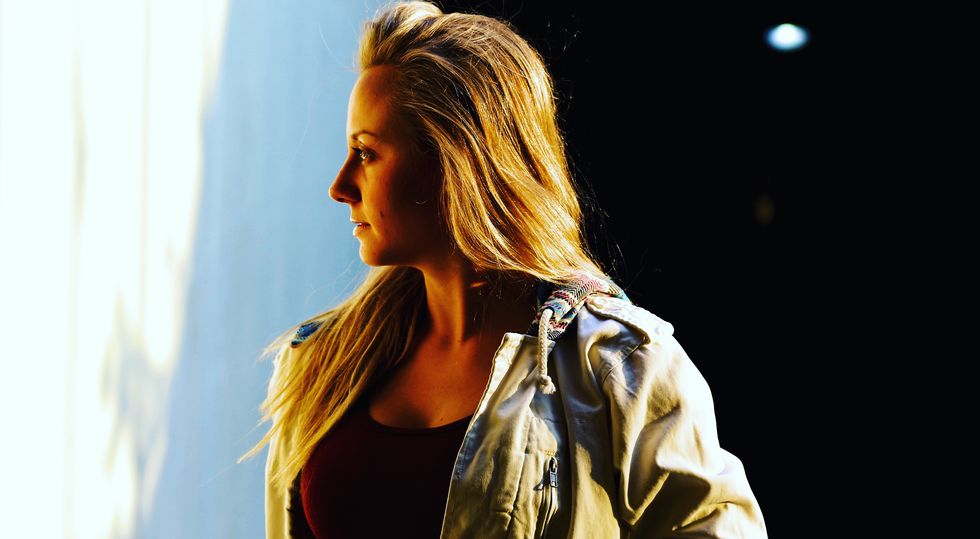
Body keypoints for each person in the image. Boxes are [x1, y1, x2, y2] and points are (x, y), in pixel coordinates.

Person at [239, 1, 767, 537]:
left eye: (366, 153)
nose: (340, 186)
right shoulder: (321, 363)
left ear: (456, 161)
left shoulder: (617, 368)